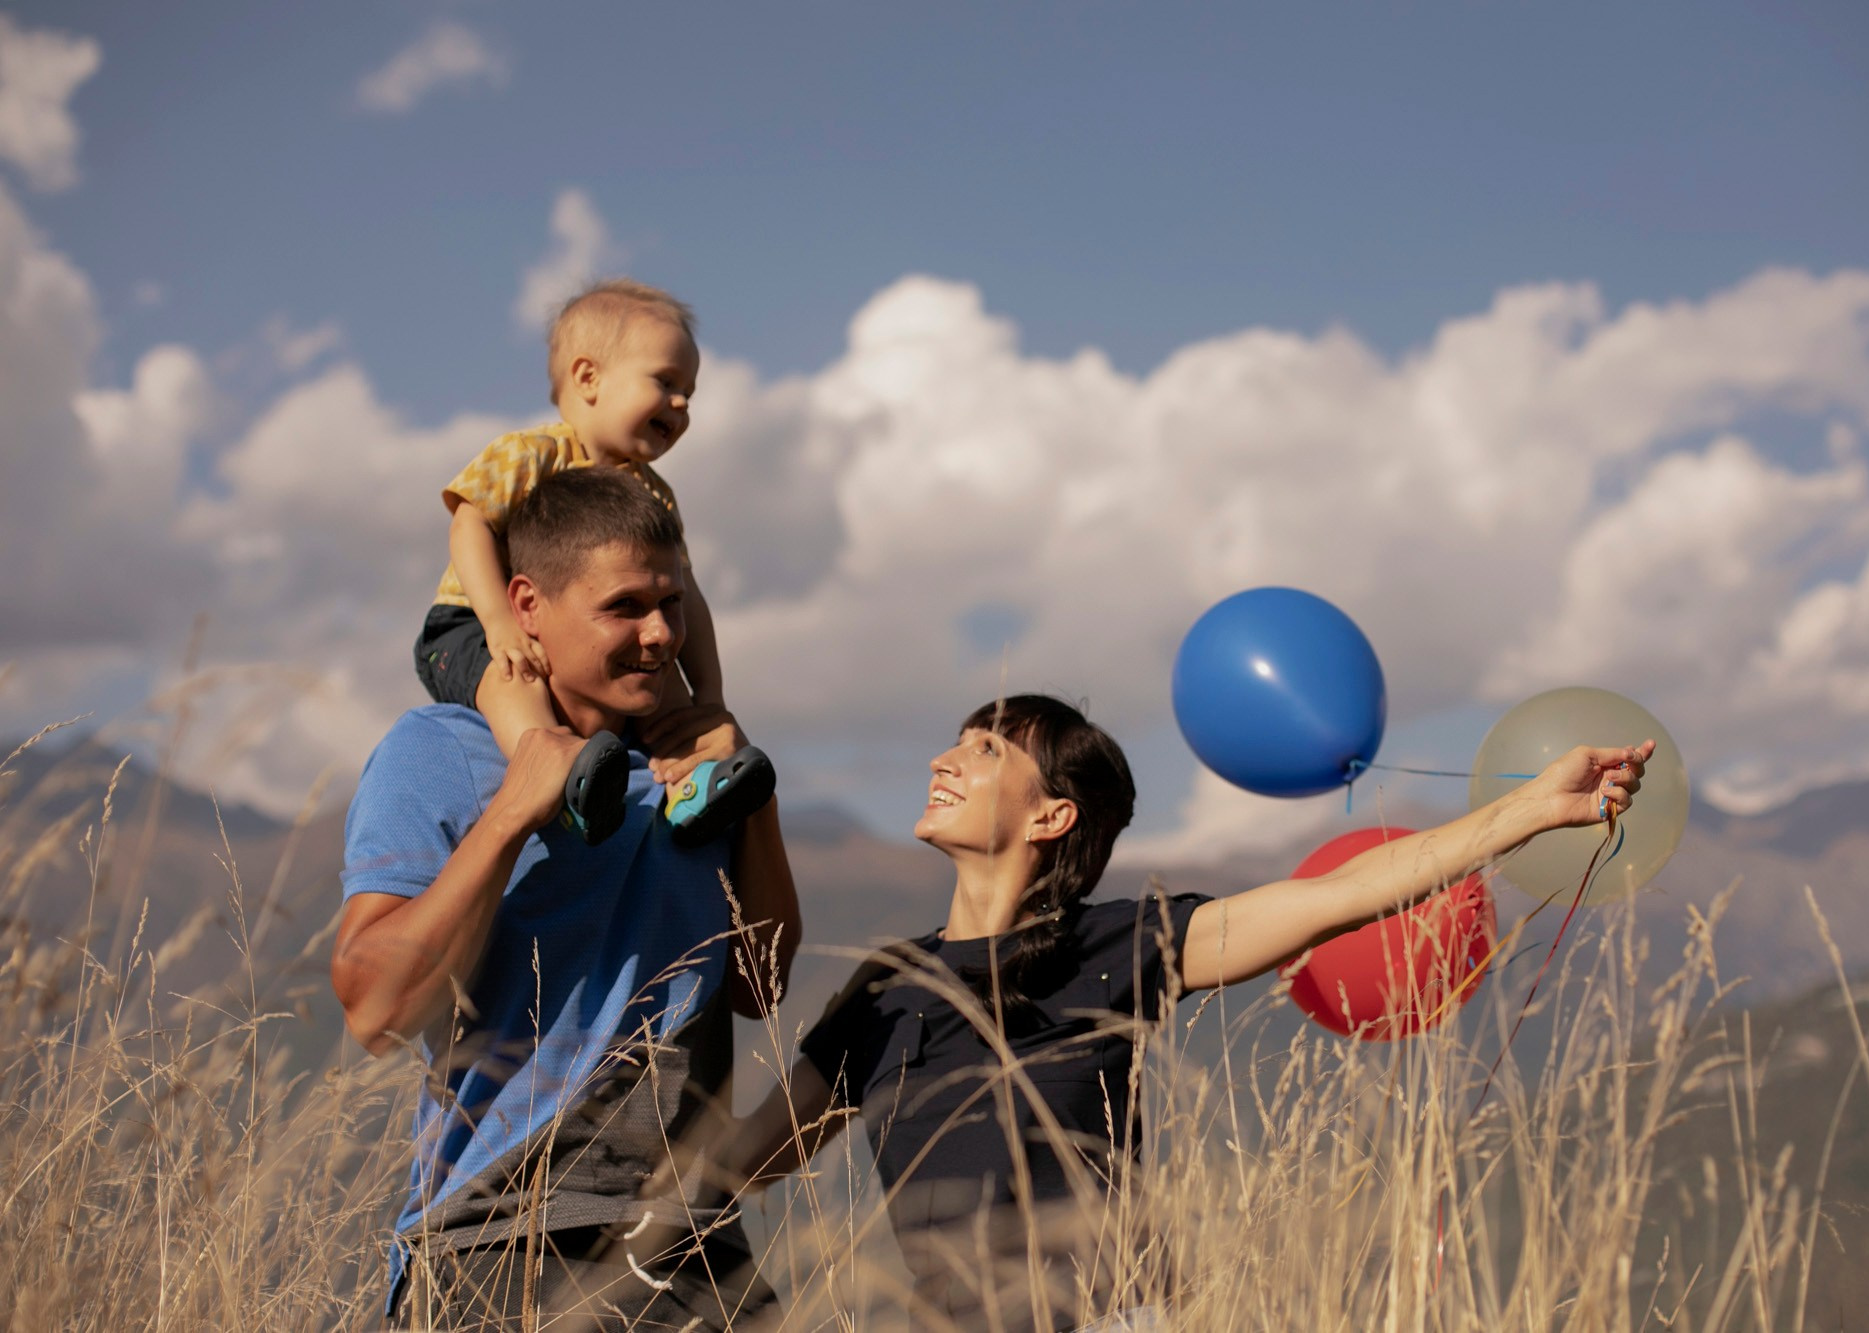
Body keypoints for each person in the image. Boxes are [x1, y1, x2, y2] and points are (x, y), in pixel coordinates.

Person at [722, 693, 1652, 1329]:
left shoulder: (1115, 947)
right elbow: (750, 1160)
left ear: (1052, 817)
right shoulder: (886, 986)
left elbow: (1340, 895)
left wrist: (1529, 808)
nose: (945, 758)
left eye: (985, 748)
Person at [336, 467, 801, 1329]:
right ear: (526, 607)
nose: (661, 635)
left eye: (673, 604)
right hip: (498, 1249)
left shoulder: (696, 775)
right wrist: (515, 808)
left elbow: (759, 988)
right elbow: (375, 1008)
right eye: (624, 607)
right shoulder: (439, 750)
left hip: (695, 1252)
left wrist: (755, 795)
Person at [414, 278, 770, 847]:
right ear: (588, 378)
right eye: (665, 381)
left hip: (597, 639)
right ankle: (560, 780)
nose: (681, 404)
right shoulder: (530, 456)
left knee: (665, 693)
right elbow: (470, 524)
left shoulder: (653, 496)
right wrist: (498, 623)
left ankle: (693, 791)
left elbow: (688, 600)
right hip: (472, 626)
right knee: (514, 680)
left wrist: (709, 698)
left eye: (690, 393)